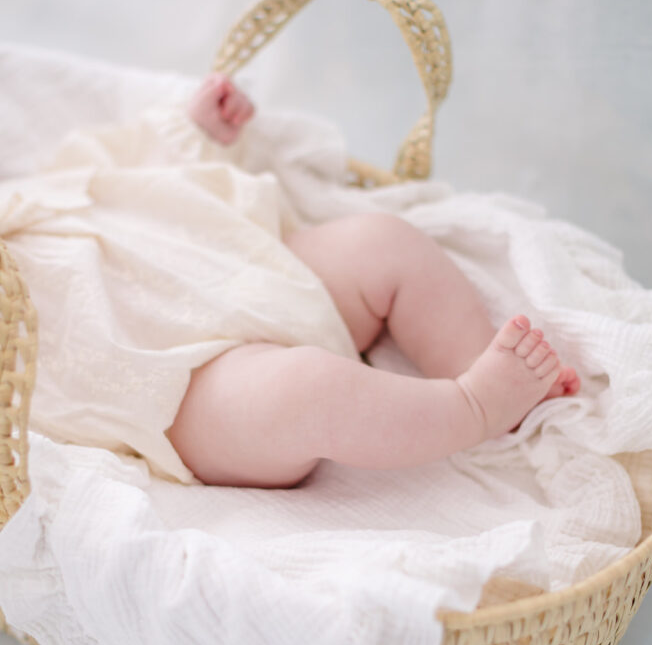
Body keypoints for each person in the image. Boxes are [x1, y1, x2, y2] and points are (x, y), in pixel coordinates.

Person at [167, 74, 580, 488]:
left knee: (382, 242)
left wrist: (198, 131)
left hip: (228, 263)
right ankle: (472, 409)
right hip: (179, 372)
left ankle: (472, 360)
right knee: (304, 394)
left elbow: (144, 170)